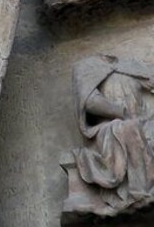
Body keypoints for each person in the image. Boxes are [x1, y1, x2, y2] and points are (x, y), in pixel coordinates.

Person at [66, 55, 154, 216]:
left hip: (142, 121)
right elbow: (91, 101)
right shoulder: (86, 66)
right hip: (108, 128)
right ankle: (139, 192)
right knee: (129, 128)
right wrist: (121, 112)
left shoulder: (131, 66)